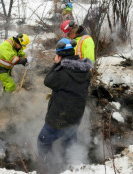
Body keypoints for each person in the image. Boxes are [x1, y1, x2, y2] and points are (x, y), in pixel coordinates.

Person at [37, 38, 92, 166]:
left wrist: (56, 64)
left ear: (60, 56)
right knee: (69, 141)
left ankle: (45, 165)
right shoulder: (85, 70)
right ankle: (70, 165)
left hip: (59, 117)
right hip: (76, 115)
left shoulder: (62, 73)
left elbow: (48, 81)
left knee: (43, 140)